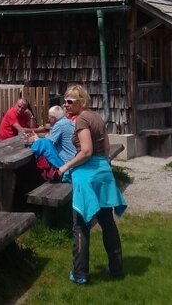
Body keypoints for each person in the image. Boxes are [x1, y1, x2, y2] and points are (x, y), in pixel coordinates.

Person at [57, 84, 125, 285]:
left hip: (87, 175)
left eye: (70, 101)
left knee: (81, 225)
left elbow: (86, 151)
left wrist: (65, 167)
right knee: (107, 222)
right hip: (103, 172)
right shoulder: (96, 117)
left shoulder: (81, 120)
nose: (66, 105)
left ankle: (79, 274)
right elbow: (105, 147)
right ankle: (116, 268)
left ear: (82, 102)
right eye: (65, 101)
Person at [26, 105, 77, 169]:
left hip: (66, 160)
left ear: (53, 118)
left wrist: (36, 139)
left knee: (42, 143)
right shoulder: (68, 121)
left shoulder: (59, 124)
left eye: (49, 117)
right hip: (74, 157)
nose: (48, 119)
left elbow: (48, 142)